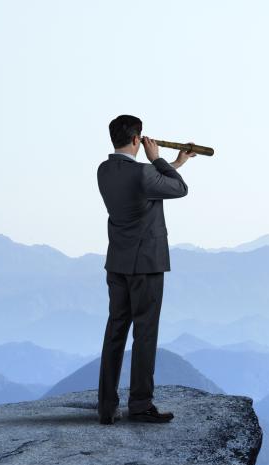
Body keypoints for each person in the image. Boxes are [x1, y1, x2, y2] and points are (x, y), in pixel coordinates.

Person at [95, 114, 196, 425]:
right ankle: (140, 404)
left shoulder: (104, 170)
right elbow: (179, 189)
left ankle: (107, 405)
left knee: (115, 331)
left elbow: (149, 184)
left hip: (117, 263)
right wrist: (160, 159)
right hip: (147, 265)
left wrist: (174, 163)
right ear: (138, 139)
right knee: (145, 334)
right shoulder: (144, 172)